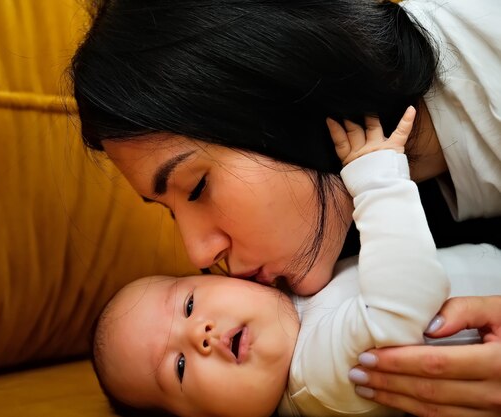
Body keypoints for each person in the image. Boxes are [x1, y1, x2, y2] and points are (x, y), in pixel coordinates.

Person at [71, 0, 501, 413]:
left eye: (197, 187)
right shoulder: (358, 253)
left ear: (285, 86)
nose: (199, 255)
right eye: (169, 210)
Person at [91, 111, 500, 416]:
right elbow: (402, 304)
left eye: (190, 305)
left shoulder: (299, 305)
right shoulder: (319, 378)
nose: (201, 335)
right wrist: (378, 181)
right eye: (179, 367)